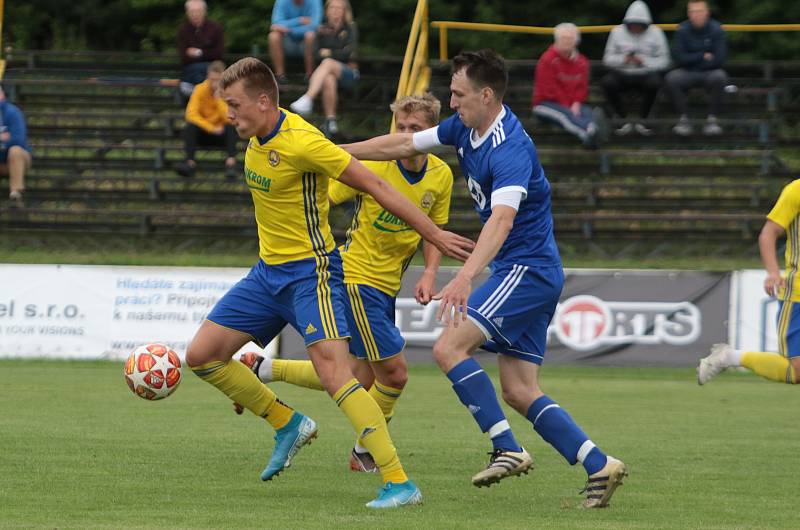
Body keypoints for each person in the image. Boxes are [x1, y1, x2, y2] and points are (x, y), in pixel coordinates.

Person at [342, 49, 627, 508]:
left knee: (448, 347)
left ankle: (507, 448)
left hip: (525, 270)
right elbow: (400, 146)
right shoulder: (466, 128)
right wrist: (334, 154)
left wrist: (464, 278)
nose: (452, 103)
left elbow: (501, 222)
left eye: (458, 94)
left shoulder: (509, 148)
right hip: (532, 270)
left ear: (486, 94)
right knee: (518, 390)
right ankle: (599, 464)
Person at [185, 57, 472, 508]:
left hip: (311, 274)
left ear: (264, 101)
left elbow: (379, 187)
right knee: (201, 357)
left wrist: (433, 234)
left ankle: (399, 482)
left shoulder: (304, 141)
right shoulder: (255, 139)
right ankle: (286, 422)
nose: (229, 115)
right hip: (266, 275)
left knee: (340, 375)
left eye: (235, 105)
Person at [234, 93, 452, 473]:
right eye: (399, 127)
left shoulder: (442, 175)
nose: (404, 134)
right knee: (395, 373)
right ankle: (366, 453)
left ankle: (263, 369)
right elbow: (322, 195)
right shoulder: (374, 166)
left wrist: (431, 272)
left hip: (387, 286)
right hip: (355, 277)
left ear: (431, 132)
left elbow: (436, 230)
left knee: (359, 374)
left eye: (414, 128)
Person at [698, 179, 800, 386]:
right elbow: (768, 233)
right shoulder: (796, 190)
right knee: (797, 372)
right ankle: (729, 358)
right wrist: (773, 272)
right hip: (797, 295)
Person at [289, 0, 359, 138]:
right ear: (326, 11)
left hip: (349, 74)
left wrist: (328, 53)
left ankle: (308, 98)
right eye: (332, 8)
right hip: (328, 74)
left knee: (327, 63)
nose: (335, 11)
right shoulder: (320, 29)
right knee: (328, 77)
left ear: (345, 11)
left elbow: (349, 53)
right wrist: (336, 53)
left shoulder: (350, 28)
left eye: (339, 8)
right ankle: (331, 122)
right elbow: (315, 54)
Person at [601, 1, 670, 136]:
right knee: (607, 82)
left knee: (655, 83)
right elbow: (607, 59)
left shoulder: (657, 33)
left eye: (639, 25)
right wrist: (624, 59)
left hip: (646, 74)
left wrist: (644, 61)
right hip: (622, 72)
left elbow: (665, 60)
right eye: (632, 25)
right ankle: (621, 118)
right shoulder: (616, 32)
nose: (635, 28)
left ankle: (645, 120)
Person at [532, 23, 601, 149]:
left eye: (570, 38)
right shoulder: (547, 59)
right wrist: (570, 106)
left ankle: (592, 129)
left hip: (571, 104)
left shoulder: (582, 62)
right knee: (565, 116)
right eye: (563, 38)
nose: (566, 41)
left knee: (586, 111)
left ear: (576, 41)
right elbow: (549, 90)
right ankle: (587, 135)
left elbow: (582, 88)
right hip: (544, 104)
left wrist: (576, 103)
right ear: (556, 40)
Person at [665, 0, 728, 136]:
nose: (696, 15)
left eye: (699, 11)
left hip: (709, 73)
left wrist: (691, 59)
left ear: (707, 12)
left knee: (720, 76)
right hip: (687, 72)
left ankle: (712, 120)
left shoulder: (717, 29)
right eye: (692, 11)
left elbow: (719, 59)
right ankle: (684, 119)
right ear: (688, 14)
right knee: (672, 78)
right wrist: (702, 56)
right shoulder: (682, 29)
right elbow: (679, 58)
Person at [175, 61, 238, 179]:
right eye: (212, 79)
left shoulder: (229, 92)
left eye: (217, 80)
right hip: (205, 131)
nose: (214, 83)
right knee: (190, 127)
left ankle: (231, 165)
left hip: (222, 133)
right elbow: (191, 115)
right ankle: (189, 164)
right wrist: (211, 128)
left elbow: (230, 119)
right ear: (207, 77)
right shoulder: (199, 89)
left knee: (231, 128)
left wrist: (218, 99)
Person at [176, 0, 225, 97]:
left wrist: (199, 53)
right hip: (191, 72)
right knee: (194, 76)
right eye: (192, 12)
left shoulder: (215, 28)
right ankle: (201, 94)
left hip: (211, 71)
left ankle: (201, 93)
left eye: (198, 11)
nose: (195, 14)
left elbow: (219, 53)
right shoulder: (183, 30)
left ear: (204, 12)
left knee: (210, 73)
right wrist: (207, 53)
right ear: (187, 13)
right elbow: (183, 56)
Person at [268, 0, 323, 85]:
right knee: (273, 36)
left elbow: (315, 25)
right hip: (288, 42)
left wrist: (289, 30)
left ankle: (309, 76)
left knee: (310, 35)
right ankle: (280, 77)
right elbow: (275, 24)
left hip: (310, 43)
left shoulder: (315, 1)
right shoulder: (281, 1)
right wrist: (299, 20)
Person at [0, 87, 31, 209]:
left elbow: (17, 139)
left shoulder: (13, 112)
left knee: (15, 150)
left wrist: (3, 144)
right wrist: (3, 137)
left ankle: (16, 192)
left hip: (17, 160)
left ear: (2, 95)